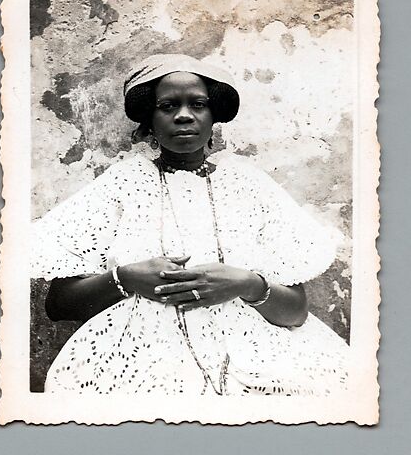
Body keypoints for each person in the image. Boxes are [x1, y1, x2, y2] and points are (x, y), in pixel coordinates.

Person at [32, 53, 348, 397]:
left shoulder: (249, 185)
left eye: (198, 104)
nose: (184, 115)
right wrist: (126, 278)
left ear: (213, 118)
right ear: (149, 121)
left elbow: (296, 313)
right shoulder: (122, 185)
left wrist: (246, 283)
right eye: (168, 106)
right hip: (144, 363)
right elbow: (59, 304)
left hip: (253, 355)